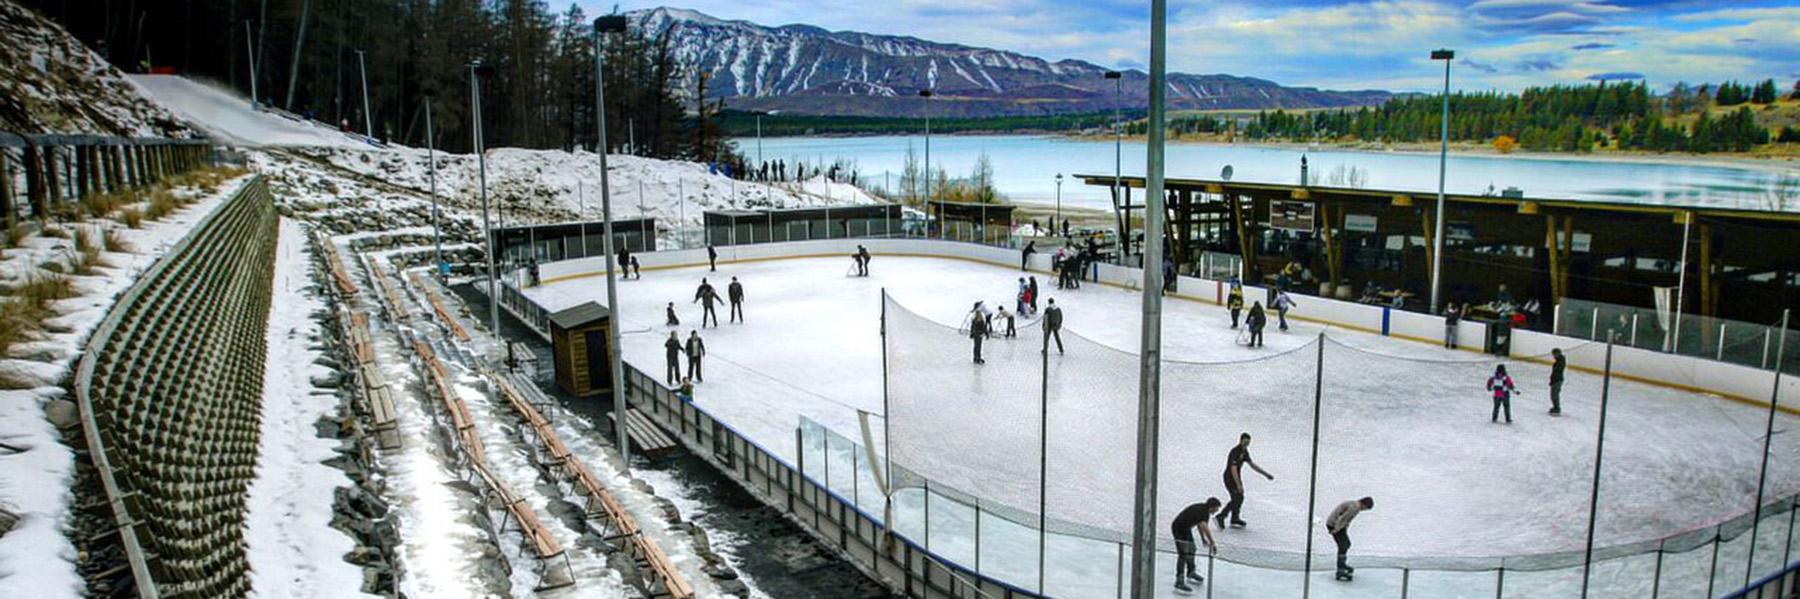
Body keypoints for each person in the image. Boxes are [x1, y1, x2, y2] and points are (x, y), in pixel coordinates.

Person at [1217, 433, 1273, 529]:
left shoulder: (1244, 452)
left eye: (1248, 443)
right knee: (1237, 498)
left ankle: (1234, 517)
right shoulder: (1235, 451)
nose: (1247, 444)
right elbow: (1233, 469)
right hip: (1230, 478)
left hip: (1236, 477)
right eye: (1245, 442)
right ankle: (1221, 516)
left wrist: (1265, 474)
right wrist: (1238, 484)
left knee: (1239, 497)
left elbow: (1252, 464)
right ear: (1241, 440)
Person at [1170, 498, 1221, 592]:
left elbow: (1199, 524)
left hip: (1186, 529)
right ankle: (1179, 581)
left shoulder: (1203, 510)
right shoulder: (1204, 512)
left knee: (1192, 549)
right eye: (1216, 509)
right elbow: (1204, 526)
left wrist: (1203, 539)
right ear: (1212, 507)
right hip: (1178, 529)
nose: (1217, 511)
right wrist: (1212, 543)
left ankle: (1191, 571)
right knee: (1183, 554)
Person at [1326, 497, 1375, 581]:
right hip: (1334, 525)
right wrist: (1335, 530)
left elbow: (1346, 520)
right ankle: (1340, 569)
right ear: (1364, 504)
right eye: (1365, 508)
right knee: (1343, 545)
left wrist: (1344, 529)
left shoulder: (1354, 505)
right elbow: (1343, 519)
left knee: (1346, 544)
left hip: (1338, 526)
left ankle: (1342, 564)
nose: (1364, 510)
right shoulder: (1354, 508)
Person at [1549, 349, 1566, 416]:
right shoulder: (1559, 361)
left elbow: (1557, 372)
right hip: (1556, 380)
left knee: (1554, 395)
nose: (1553, 356)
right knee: (1553, 394)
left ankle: (1557, 408)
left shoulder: (1560, 361)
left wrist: (1553, 380)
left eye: (1554, 354)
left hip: (1557, 380)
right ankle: (1555, 407)